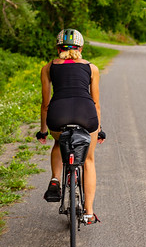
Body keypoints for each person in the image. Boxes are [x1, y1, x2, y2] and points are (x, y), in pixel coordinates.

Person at [36, 29, 105, 225]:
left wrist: (43, 131)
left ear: (58, 48)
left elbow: (45, 104)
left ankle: (55, 180)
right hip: (86, 114)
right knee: (88, 160)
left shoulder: (48, 68)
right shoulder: (92, 68)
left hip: (58, 115)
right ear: (81, 48)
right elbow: (96, 104)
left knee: (59, 141)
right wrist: (99, 130)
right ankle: (89, 213)